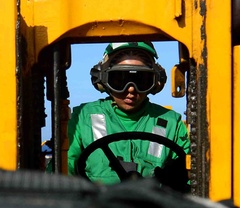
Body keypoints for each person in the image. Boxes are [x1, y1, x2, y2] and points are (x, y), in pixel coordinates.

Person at [65, 41, 190, 191]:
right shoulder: (83, 117)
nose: (131, 89)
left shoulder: (171, 123)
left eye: (141, 81)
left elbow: (192, 176)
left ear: (156, 82)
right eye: (120, 80)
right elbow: (65, 168)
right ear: (103, 80)